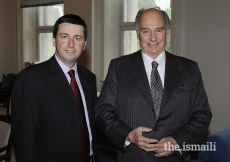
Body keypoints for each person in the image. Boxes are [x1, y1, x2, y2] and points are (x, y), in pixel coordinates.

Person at [95, 7, 212, 162]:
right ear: (138, 35)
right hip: (133, 156)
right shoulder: (118, 67)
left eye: (158, 30)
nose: (153, 38)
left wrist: (177, 141)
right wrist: (128, 135)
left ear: (166, 33)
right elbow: (103, 111)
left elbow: (202, 114)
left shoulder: (189, 69)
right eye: (146, 31)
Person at [11, 14, 97, 162]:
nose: (71, 44)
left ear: (84, 44)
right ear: (53, 40)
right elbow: (24, 142)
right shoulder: (30, 78)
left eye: (77, 38)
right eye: (64, 36)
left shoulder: (89, 78)